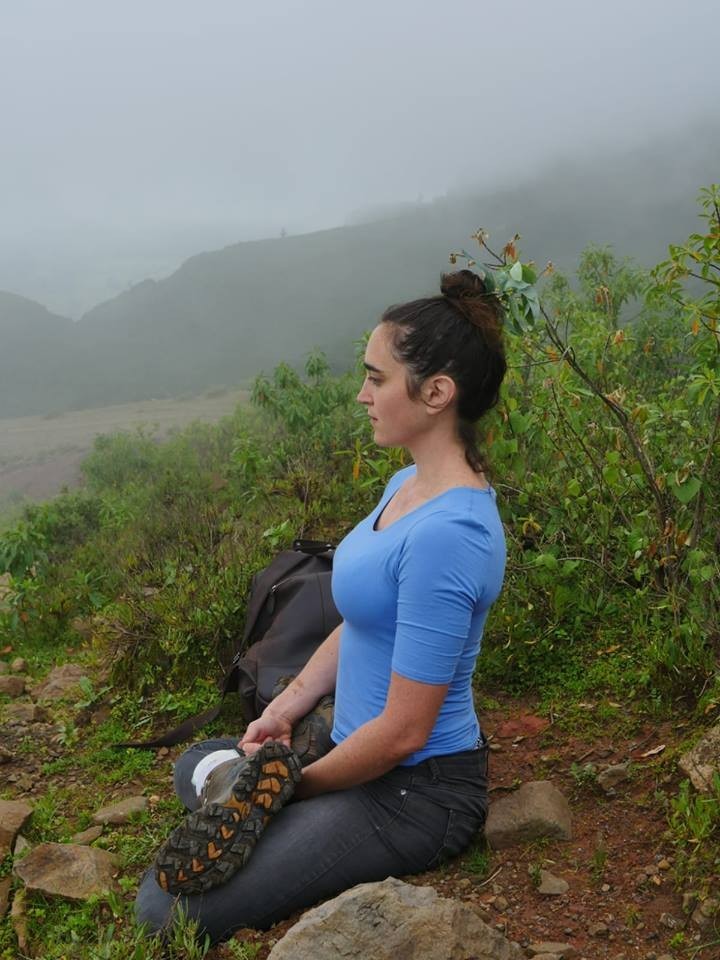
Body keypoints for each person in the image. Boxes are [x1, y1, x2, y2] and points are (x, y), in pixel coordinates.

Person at [135, 268, 508, 944]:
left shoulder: (451, 536)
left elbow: (403, 734)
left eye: (376, 378)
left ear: (436, 393)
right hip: (348, 748)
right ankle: (257, 785)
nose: (362, 394)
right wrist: (286, 705)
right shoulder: (406, 483)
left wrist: (290, 788)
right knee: (198, 765)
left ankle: (269, 799)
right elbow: (361, 621)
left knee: (163, 914)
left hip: (413, 792)